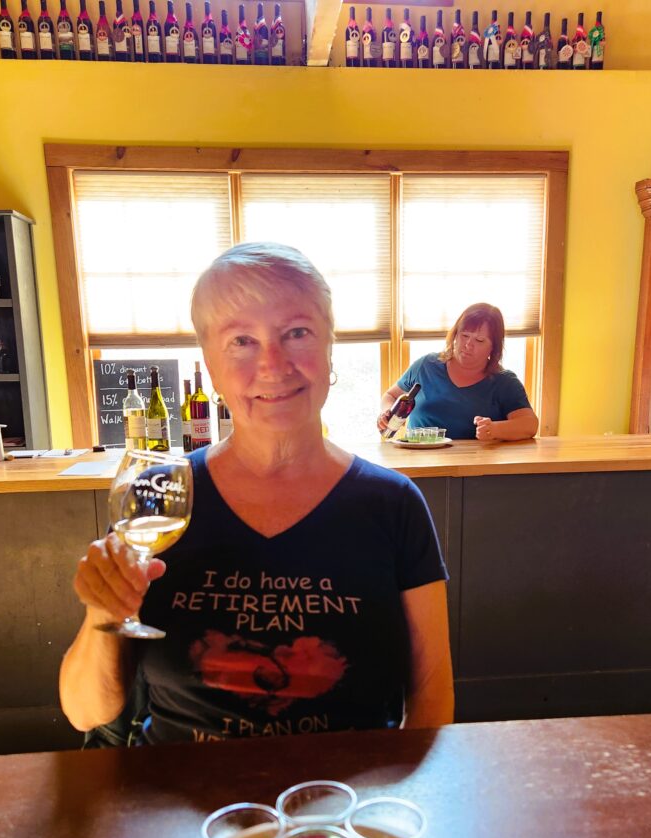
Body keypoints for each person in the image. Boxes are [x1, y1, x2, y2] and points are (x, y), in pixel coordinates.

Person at [60, 243, 454, 744]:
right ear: (211, 363)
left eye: (296, 333)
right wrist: (103, 609)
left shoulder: (393, 506)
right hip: (184, 808)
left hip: (343, 805)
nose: (274, 364)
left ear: (329, 344)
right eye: (242, 341)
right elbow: (85, 712)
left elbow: (432, 694)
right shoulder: (161, 495)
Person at [377, 302, 539, 441]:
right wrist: (387, 413)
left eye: (479, 340)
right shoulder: (426, 366)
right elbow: (391, 395)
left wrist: (494, 429)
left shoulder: (504, 381)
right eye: (464, 335)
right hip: (420, 460)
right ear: (454, 335)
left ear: (493, 347)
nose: (468, 345)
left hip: (474, 467)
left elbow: (529, 425)